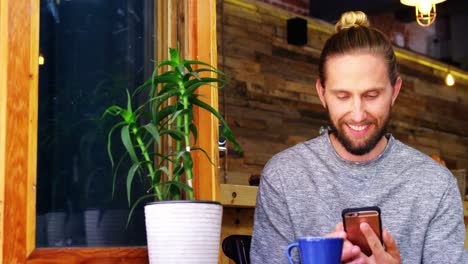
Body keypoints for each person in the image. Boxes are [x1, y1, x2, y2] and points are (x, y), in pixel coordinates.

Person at [250, 11, 468, 264]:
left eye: (371, 95)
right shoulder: (284, 177)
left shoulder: (436, 185)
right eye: (342, 96)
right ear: (322, 93)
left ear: (395, 91)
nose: (357, 114)